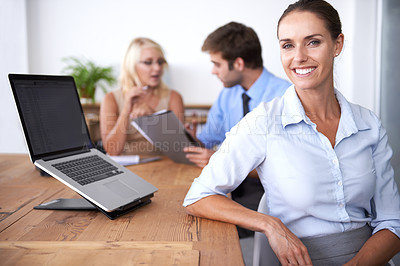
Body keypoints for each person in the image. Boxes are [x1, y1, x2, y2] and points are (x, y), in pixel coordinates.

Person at [183, 0, 400, 265]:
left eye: (313, 42)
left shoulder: (369, 124)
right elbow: (198, 196)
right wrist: (270, 225)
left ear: (337, 45)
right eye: (288, 45)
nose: (298, 57)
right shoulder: (263, 122)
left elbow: (393, 222)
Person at [183, 22, 291, 238]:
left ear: (239, 63)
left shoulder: (286, 98)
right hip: (230, 189)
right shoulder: (229, 93)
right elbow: (208, 138)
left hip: (268, 196)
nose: (213, 71)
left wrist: (219, 159)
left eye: (217, 64)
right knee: (186, 217)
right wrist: (192, 138)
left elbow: (286, 170)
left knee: (199, 230)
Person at [100, 37, 184, 156]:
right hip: (126, 169)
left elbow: (178, 148)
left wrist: (154, 117)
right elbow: (112, 150)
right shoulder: (111, 99)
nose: (157, 68)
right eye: (148, 62)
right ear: (131, 66)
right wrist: (126, 110)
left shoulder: (174, 97)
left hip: (163, 167)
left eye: (160, 62)